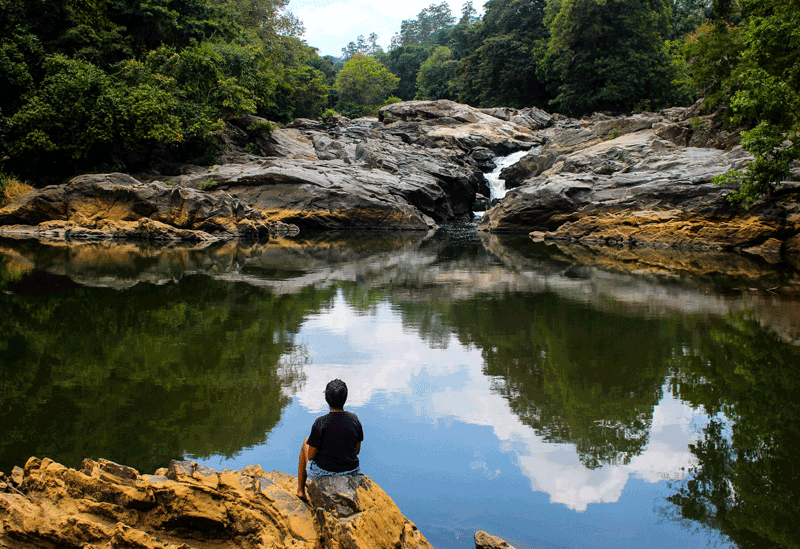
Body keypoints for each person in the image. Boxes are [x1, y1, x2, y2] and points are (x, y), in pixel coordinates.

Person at [297, 378, 363, 501]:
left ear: (327, 399)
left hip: (325, 473)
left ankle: (301, 491)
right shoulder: (354, 419)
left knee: (306, 442)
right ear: (345, 398)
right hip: (351, 471)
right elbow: (357, 450)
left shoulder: (320, 422)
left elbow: (311, 456)